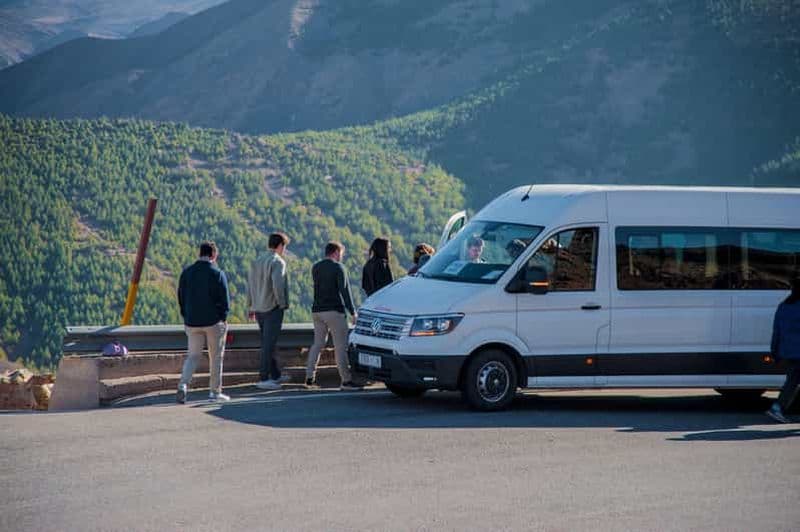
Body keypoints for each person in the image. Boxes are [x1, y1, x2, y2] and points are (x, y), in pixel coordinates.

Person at [176, 241, 231, 404]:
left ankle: (183, 385)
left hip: (192, 322)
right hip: (213, 322)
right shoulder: (217, 273)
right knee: (216, 357)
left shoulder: (187, 272)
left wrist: (186, 315)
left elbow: (181, 296)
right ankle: (215, 392)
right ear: (213, 255)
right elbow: (225, 301)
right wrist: (223, 317)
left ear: (200, 254)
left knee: (192, 356)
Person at [306, 242, 361, 389]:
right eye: (341, 253)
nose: (342, 256)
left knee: (317, 344)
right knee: (340, 347)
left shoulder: (315, 267)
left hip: (317, 311)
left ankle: (309, 376)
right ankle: (346, 380)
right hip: (334, 312)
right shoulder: (338, 267)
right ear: (336, 252)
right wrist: (353, 312)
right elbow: (345, 291)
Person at [247, 232, 290, 390]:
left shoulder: (257, 261)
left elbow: (250, 285)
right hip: (272, 308)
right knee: (268, 344)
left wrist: (250, 306)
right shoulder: (278, 262)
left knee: (267, 342)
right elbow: (277, 285)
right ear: (280, 245)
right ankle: (264, 378)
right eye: (284, 247)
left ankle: (276, 375)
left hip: (258, 307)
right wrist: (282, 303)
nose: (284, 250)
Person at [765, 277, 800, 423]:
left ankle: (778, 408)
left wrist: (774, 352)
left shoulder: (783, 306)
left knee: (792, 381)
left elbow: (776, 332)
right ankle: (777, 408)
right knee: (792, 382)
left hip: (789, 351)